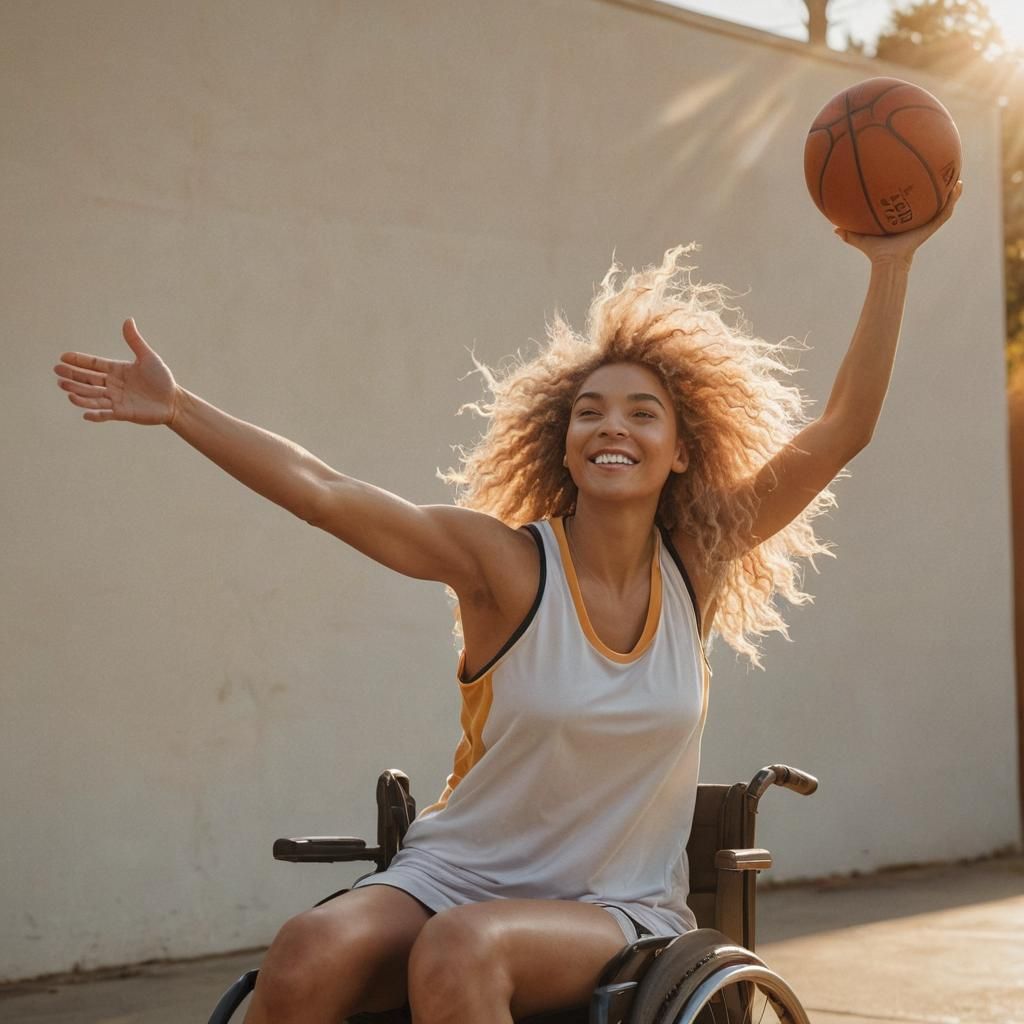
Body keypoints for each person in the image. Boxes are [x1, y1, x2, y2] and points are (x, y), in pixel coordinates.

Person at [53, 183, 961, 1024]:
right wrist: (179, 411)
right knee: (305, 953)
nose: (614, 427)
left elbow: (843, 429)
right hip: (454, 874)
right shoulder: (503, 566)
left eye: (644, 413)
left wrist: (891, 263)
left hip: (614, 909)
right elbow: (325, 493)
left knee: (463, 953)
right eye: (590, 413)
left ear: (682, 452)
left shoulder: (697, 566)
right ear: (562, 447)